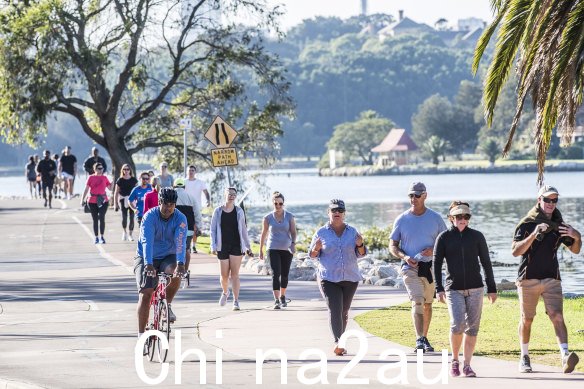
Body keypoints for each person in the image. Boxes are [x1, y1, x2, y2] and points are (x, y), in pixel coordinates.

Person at [512, 185, 581, 374]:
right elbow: (516, 251)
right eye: (547, 200)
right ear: (539, 200)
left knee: (557, 315)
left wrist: (577, 236)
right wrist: (534, 234)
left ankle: (565, 356)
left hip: (552, 278)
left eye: (554, 200)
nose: (551, 203)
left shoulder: (559, 225)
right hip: (528, 279)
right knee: (527, 319)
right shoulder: (526, 224)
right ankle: (524, 357)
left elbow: (575, 250)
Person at [434, 201, 497, 378]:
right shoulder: (444, 238)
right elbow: (436, 264)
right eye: (459, 216)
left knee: (473, 328)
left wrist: (492, 288)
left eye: (466, 216)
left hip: (476, 288)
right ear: (451, 218)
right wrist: (438, 289)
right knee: (457, 324)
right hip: (453, 289)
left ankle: (467, 365)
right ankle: (455, 360)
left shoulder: (477, 237)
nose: (462, 219)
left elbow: (486, 263)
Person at [389, 182, 447, 353]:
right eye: (410, 196)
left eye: (417, 195)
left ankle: (424, 337)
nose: (413, 198)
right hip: (409, 268)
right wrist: (404, 256)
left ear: (425, 196)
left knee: (428, 304)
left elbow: (445, 243)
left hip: (430, 268)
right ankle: (419, 338)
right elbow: (393, 246)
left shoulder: (435, 218)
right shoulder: (402, 219)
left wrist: (434, 249)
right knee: (417, 301)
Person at [309, 199, 366, 356]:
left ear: (344, 214)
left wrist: (360, 244)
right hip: (328, 278)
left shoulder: (353, 232)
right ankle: (338, 342)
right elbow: (313, 255)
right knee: (335, 309)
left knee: (344, 311)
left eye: (340, 211)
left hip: (350, 278)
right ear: (328, 213)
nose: (337, 213)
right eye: (334, 210)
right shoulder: (321, 232)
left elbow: (361, 254)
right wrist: (316, 248)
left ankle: (341, 341)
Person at [135, 188, 187, 353]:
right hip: (146, 257)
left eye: (171, 205)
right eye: (165, 204)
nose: (168, 208)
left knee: (176, 272)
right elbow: (146, 242)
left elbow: (180, 242)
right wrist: (149, 264)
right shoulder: (149, 217)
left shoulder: (180, 218)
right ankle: (141, 336)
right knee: (146, 293)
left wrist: (180, 263)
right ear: (159, 202)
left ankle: (168, 304)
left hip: (168, 256)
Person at [210, 187, 252, 311]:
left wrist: (248, 247)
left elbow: (244, 230)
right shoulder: (218, 211)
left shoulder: (239, 211)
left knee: (235, 275)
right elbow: (212, 230)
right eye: (229, 194)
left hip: (236, 245)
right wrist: (213, 245)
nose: (232, 196)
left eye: (234, 194)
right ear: (225, 195)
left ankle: (236, 300)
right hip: (222, 246)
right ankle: (225, 292)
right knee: (224, 276)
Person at [259, 191, 297, 309]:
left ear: (283, 204)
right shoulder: (268, 218)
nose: (278, 206)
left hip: (287, 249)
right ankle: (276, 300)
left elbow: (293, 232)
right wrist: (260, 249)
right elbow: (264, 234)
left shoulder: (289, 216)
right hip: (273, 248)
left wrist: (293, 244)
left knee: (285, 275)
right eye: (276, 203)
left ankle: (283, 296)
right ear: (273, 203)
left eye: (280, 203)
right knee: (276, 274)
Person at [80, 163, 112, 244]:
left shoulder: (105, 178)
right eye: (99, 168)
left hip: (103, 200)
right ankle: (96, 237)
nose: (101, 170)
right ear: (95, 169)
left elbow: (110, 188)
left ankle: (102, 236)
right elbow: (86, 189)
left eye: (102, 168)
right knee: (95, 219)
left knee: (102, 217)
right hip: (92, 201)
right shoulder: (91, 177)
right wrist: (82, 199)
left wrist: (114, 182)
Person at [174, 178, 200, 271]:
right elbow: (197, 214)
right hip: (188, 228)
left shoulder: (172, 196)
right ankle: (185, 270)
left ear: (174, 186)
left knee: (173, 249)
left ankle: (174, 268)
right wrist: (198, 227)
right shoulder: (191, 197)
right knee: (186, 249)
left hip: (174, 228)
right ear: (184, 187)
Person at [185, 165, 211, 253]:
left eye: (192, 170)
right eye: (189, 170)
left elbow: (206, 192)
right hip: (186, 207)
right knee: (185, 226)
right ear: (187, 171)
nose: (191, 172)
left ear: (195, 172)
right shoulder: (184, 182)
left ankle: (194, 246)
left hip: (197, 207)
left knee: (195, 227)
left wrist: (208, 201)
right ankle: (186, 245)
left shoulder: (200, 182)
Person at [114, 164, 138, 241]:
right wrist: (115, 204)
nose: (126, 171)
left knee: (131, 217)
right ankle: (124, 232)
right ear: (122, 170)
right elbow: (116, 192)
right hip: (122, 199)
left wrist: (138, 202)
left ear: (130, 170)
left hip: (132, 200)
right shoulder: (120, 180)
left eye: (128, 169)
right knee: (124, 217)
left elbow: (137, 191)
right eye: (124, 169)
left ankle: (130, 234)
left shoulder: (134, 180)